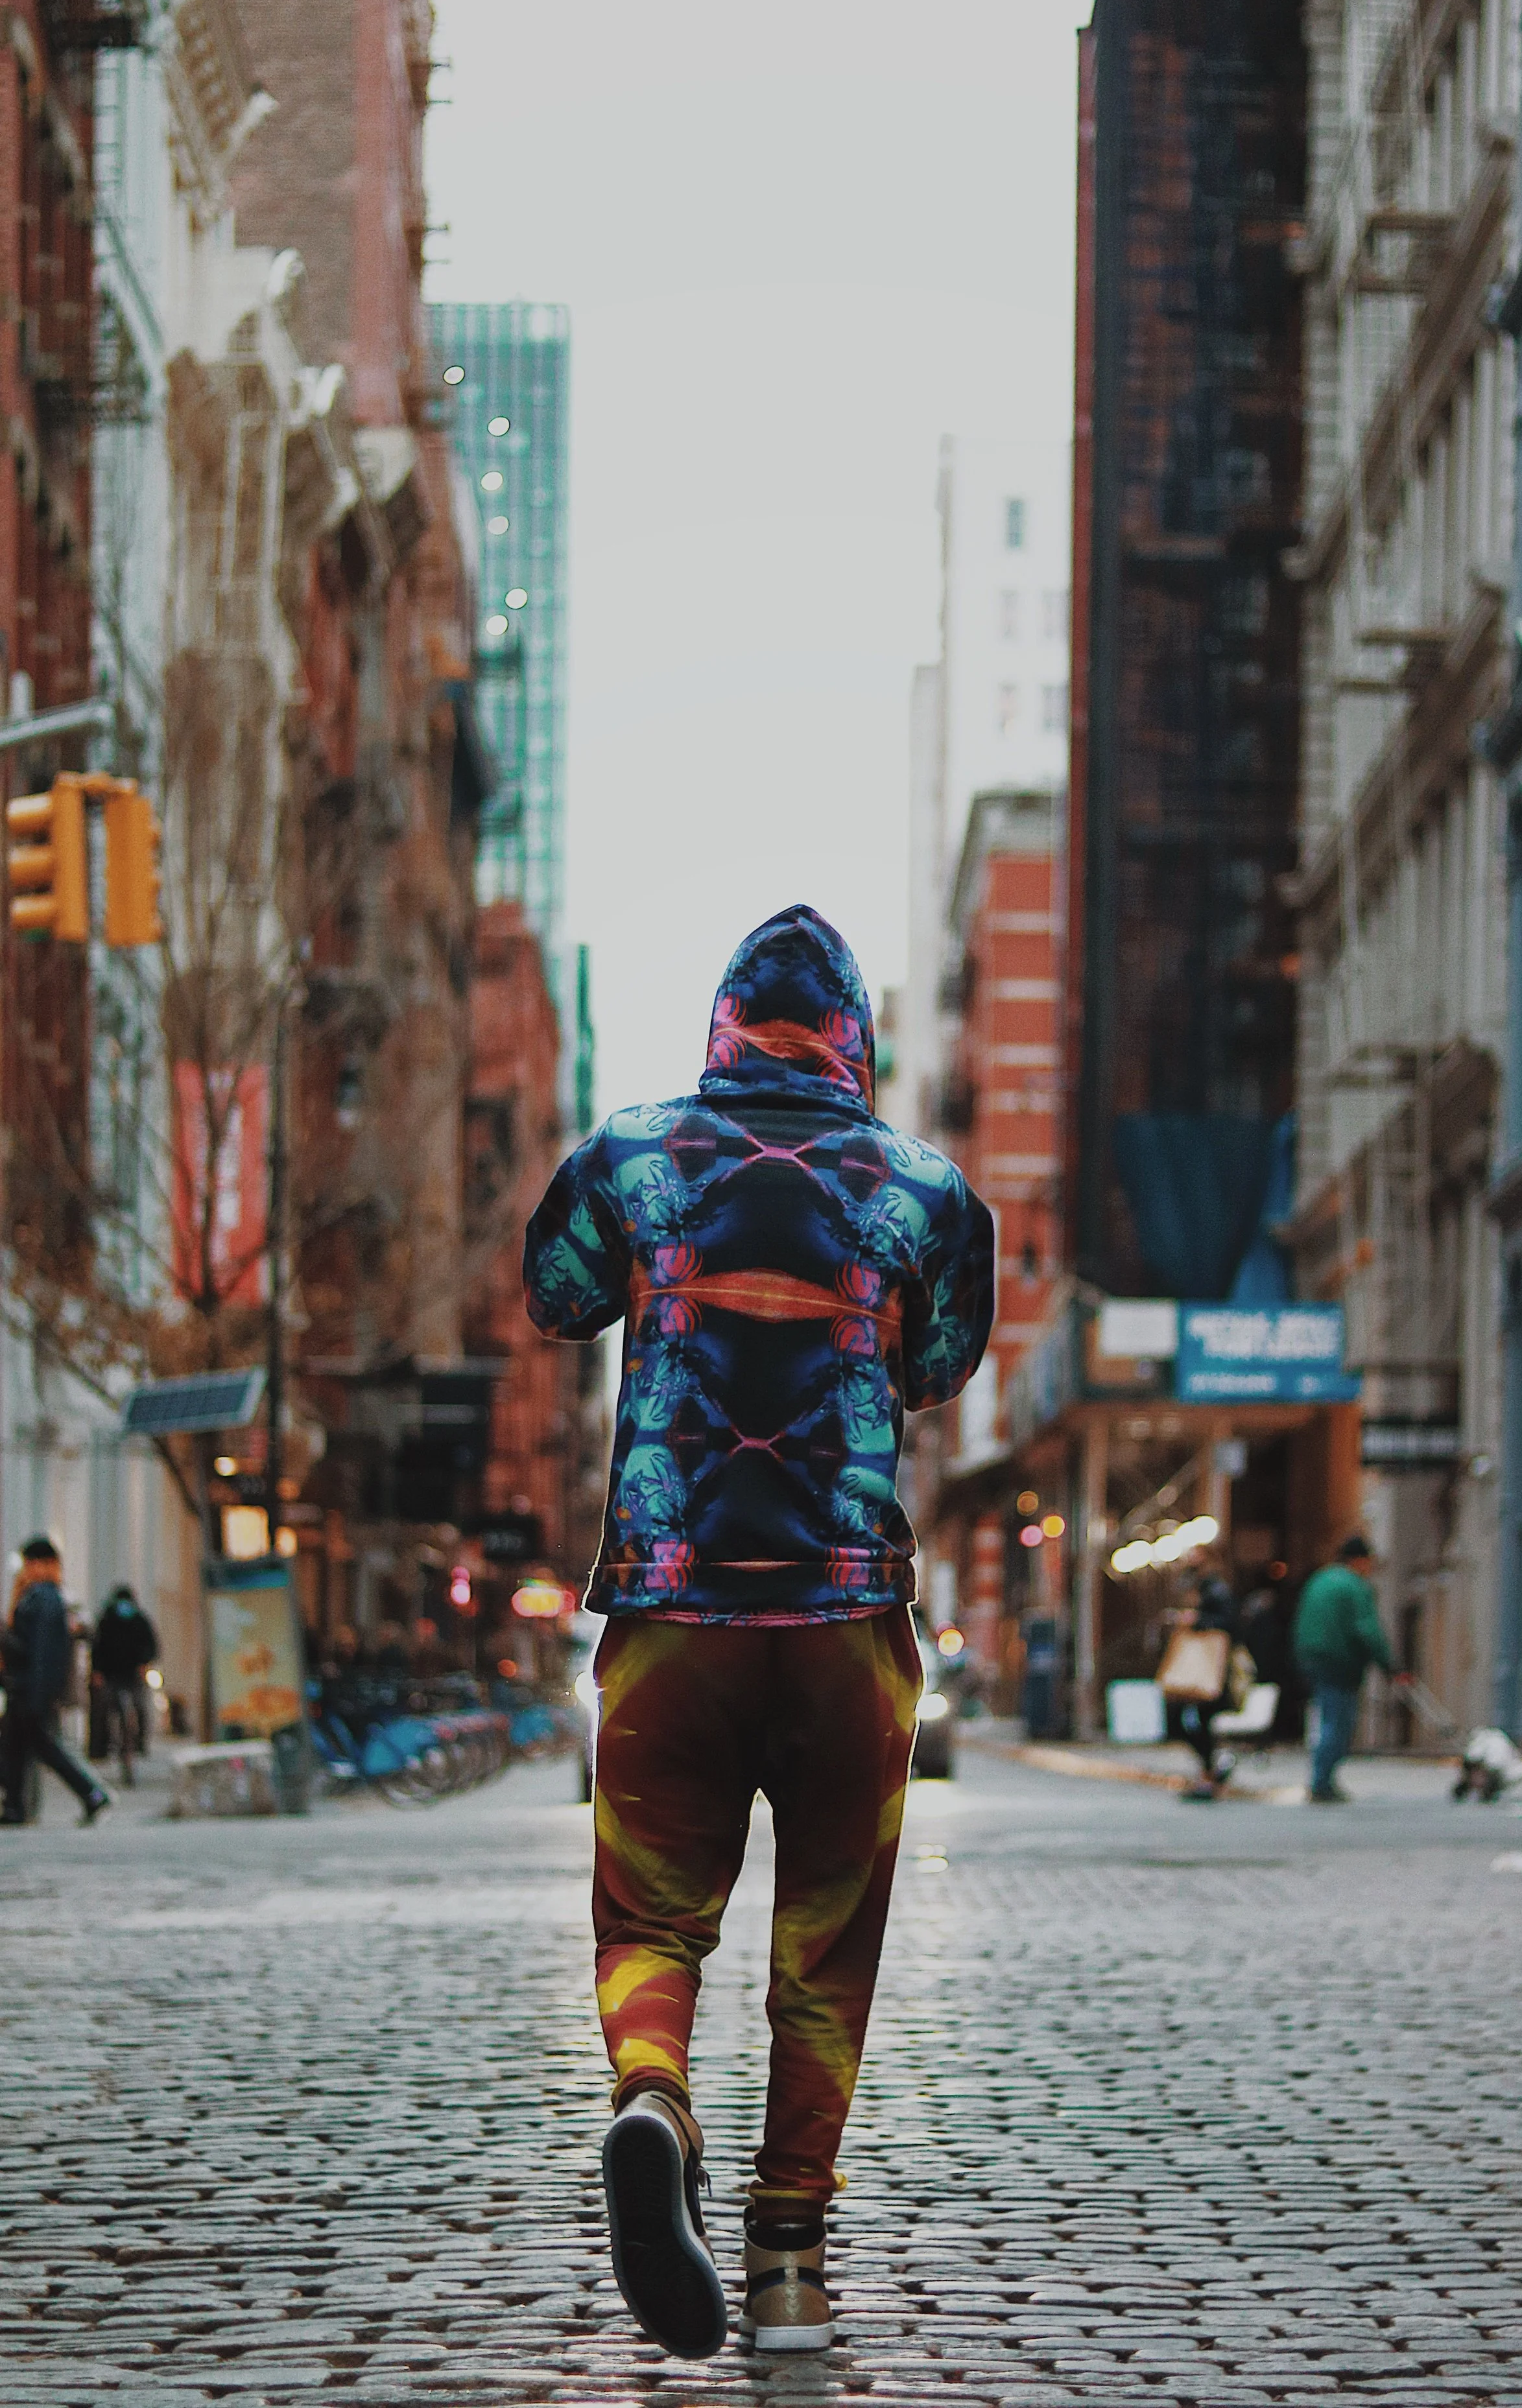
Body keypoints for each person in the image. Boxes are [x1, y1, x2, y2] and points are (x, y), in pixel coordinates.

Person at [523, 906, 993, 2361]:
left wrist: (664, 1277)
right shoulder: (926, 1185)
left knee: (651, 1915)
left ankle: (655, 2095)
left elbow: (552, 1295)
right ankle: (789, 2265)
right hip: (848, 1614)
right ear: (855, 1042)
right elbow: (935, 1366)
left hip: (675, 1611)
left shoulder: (634, 1154)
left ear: (721, 1028)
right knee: (827, 1949)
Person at [1, 1538, 112, 1826]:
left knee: (44, 1748)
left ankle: (91, 1793)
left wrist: (37, 1694)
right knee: (16, 1747)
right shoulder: (40, 1596)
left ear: (42, 1564)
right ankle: (15, 1806)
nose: (25, 1570)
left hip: (30, 1688)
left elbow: (42, 1653)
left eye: (29, 1563)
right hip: (27, 1687)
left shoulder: (44, 1598)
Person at [1292, 1533, 1403, 1802]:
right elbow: (1367, 1630)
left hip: (1311, 1658)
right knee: (1339, 1722)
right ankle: (1322, 1781)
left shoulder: (1319, 1579)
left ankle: (1322, 1779)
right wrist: (1390, 1666)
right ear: (1360, 1561)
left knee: (1326, 1717)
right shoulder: (1355, 1586)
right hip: (1341, 1662)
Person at [1172, 1546, 1237, 1801]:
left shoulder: (1217, 1589)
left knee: (1203, 1719)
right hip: (1195, 1665)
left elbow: (1228, 1622)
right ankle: (1211, 1771)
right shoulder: (1193, 1584)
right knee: (1183, 1719)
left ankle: (1210, 1774)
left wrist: (1197, 1621)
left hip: (1211, 1667)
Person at [91, 1585, 159, 1782]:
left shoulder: (139, 1620)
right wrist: (98, 1671)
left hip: (133, 1674)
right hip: (113, 1675)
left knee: (139, 1708)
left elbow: (151, 1645)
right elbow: (98, 1647)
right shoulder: (107, 1620)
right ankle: (103, 1747)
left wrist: (144, 1663)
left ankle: (139, 1743)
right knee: (106, 1710)